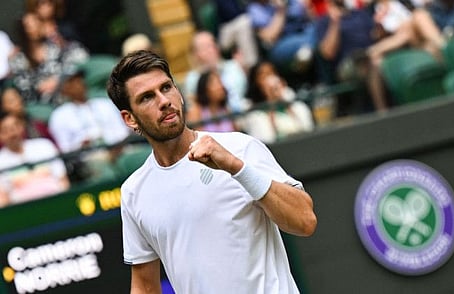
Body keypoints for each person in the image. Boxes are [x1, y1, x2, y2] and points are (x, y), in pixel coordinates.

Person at [106, 50, 317, 293]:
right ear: (130, 119)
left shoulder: (240, 148)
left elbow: (305, 221)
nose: (164, 101)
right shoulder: (134, 192)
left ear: (179, 93)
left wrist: (235, 167)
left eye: (166, 88)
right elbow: (144, 286)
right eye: (146, 98)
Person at [48, 68, 132, 182]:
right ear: (64, 89)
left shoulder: (105, 103)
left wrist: (117, 147)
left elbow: (124, 130)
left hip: (121, 147)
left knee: (139, 156)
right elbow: (65, 149)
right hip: (90, 156)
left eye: (80, 80)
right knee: (99, 166)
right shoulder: (59, 115)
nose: (79, 84)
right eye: (72, 82)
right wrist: (81, 146)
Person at [8, 12, 89, 105]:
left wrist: (58, 80)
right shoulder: (18, 58)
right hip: (38, 103)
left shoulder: (56, 47)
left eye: (37, 22)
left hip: (63, 95)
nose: (35, 26)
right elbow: (23, 87)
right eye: (29, 25)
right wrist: (42, 87)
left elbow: (80, 59)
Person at [0, 111, 70, 207]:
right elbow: (3, 198)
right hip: (22, 210)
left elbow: (63, 180)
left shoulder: (44, 145)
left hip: (57, 201)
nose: (13, 133)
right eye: (6, 130)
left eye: (15, 127)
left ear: (22, 127)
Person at [243, 60, 315, 143]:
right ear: (255, 82)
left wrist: (282, 98)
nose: (270, 79)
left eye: (272, 73)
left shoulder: (293, 102)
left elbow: (306, 129)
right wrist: (270, 99)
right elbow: (268, 140)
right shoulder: (253, 114)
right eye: (264, 76)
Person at [183, 30, 249, 113]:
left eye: (212, 44)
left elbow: (241, 93)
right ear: (195, 54)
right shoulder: (192, 78)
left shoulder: (233, 66)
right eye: (205, 47)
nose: (211, 49)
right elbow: (192, 107)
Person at [214, 0, 260, 70]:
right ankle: (253, 67)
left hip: (247, 20)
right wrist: (247, 10)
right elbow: (231, 13)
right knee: (243, 23)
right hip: (226, 30)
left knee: (246, 23)